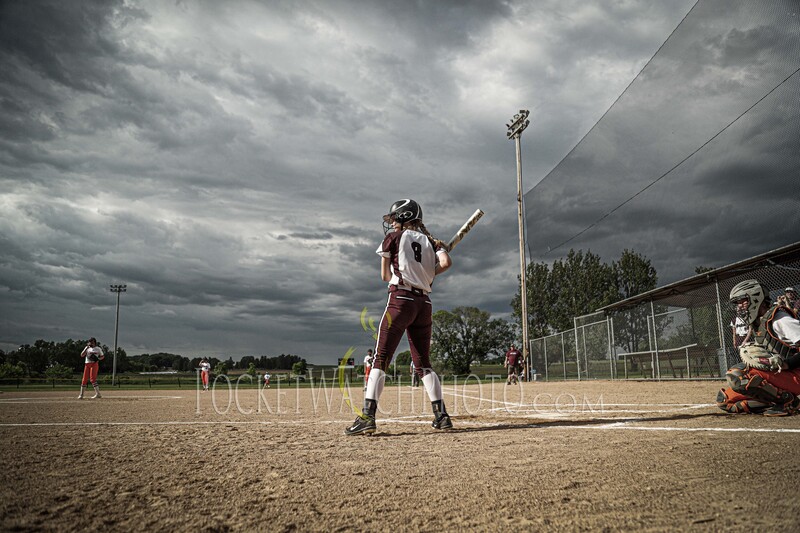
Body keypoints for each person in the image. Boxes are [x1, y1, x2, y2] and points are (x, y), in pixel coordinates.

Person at [346, 199, 453, 435]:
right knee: (423, 363)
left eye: (394, 219)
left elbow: (385, 276)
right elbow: (446, 263)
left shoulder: (393, 238)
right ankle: (442, 415)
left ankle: (367, 416)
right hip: (424, 303)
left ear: (405, 217)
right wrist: (427, 274)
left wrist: (410, 272)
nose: (392, 223)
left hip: (400, 300)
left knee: (381, 358)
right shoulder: (433, 242)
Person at [717, 279, 800, 416]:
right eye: (737, 303)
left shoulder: (779, 320)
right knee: (725, 400)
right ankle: (775, 401)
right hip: (783, 376)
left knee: (739, 374)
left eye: (742, 301)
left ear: (755, 298)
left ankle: (788, 402)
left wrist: (788, 364)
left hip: (795, 375)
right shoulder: (759, 322)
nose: (739, 306)